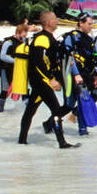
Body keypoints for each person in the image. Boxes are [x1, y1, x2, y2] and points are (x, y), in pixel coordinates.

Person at [18, 11, 78, 148]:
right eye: (56, 19)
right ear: (49, 22)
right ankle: (62, 143)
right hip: (41, 81)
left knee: (30, 110)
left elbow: (51, 60)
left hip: (41, 80)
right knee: (56, 110)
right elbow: (37, 60)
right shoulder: (41, 38)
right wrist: (50, 79)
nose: (57, 21)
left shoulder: (49, 37)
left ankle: (21, 141)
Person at [61, 13, 97, 136]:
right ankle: (81, 131)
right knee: (73, 103)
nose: (91, 26)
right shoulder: (71, 38)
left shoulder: (89, 40)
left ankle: (82, 131)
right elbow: (69, 57)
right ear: (81, 23)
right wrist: (76, 74)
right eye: (89, 24)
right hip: (73, 75)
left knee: (76, 103)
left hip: (87, 74)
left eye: (92, 24)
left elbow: (92, 59)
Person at [0, 22, 29, 112]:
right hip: (6, 69)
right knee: (5, 89)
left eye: (26, 34)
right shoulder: (8, 42)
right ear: (17, 32)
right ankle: (0, 110)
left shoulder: (23, 43)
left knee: (24, 89)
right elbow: (3, 56)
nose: (25, 36)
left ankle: (27, 111)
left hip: (18, 69)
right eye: (23, 34)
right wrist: (17, 61)